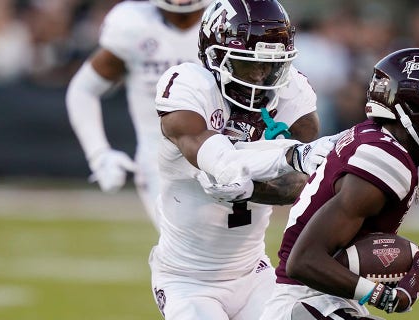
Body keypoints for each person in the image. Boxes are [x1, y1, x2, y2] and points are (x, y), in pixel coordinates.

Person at [148, 0, 341, 319]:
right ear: (214, 56)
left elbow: (302, 184)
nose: (262, 76)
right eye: (248, 64)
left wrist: (253, 187)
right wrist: (291, 154)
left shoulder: (291, 93)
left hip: (254, 275)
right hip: (187, 281)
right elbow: (217, 156)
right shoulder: (188, 85)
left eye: (271, 65)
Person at [260, 48, 419, 320]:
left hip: (321, 300)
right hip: (307, 302)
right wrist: (384, 296)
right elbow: (304, 261)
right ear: (416, 109)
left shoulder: (376, 141)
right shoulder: (387, 159)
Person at [65, 0, 212, 230]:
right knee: (192, 255)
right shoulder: (134, 25)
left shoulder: (228, 20)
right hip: (160, 163)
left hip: (222, 156)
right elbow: (83, 89)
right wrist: (98, 154)